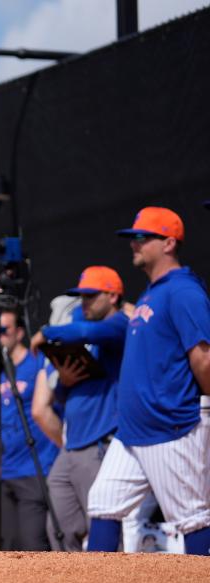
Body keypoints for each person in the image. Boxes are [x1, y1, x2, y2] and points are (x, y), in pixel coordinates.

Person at [87, 207, 210, 555]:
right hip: (132, 432)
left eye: (143, 237)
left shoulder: (183, 291)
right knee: (103, 503)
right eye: (133, 238)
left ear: (169, 242)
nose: (134, 244)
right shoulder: (151, 293)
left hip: (171, 425)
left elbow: (203, 357)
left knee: (193, 517)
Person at [29, 266, 128, 551]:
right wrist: (64, 381)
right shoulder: (84, 333)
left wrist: (46, 331)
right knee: (59, 529)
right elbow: (62, 395)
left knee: (102, 526)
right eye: (81, 296)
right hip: (71, 446)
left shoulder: (118, 324)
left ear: (112, 296)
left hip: (100, 442)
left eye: (91, 296)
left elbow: (84, 329)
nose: (83, 303)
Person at [0, 310, 59, 551]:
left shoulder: (36, 363)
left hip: (35, 467)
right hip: (5, 471)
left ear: (19, 332)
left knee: (33, 542)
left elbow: (53, 408)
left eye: (2, 331)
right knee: (7, 544)